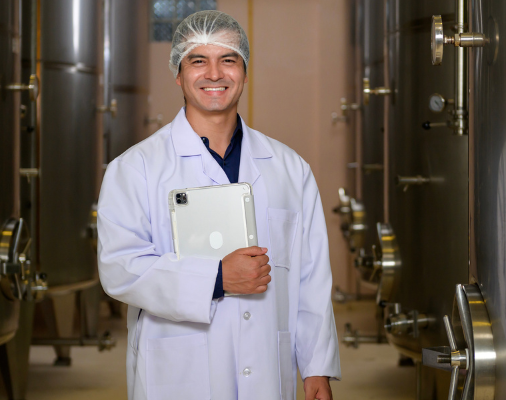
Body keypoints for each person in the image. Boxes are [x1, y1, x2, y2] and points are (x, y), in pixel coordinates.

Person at [97, 10, 340, 400]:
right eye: (198, 60)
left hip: (266, 370)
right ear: (178, 73)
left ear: (244, 71)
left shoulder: (290, 169)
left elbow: (311, 279)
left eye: (228, 60)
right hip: (177, 372)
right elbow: (120, 268)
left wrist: (316, 367)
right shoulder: (136, 168)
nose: (214, 74)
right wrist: (217, 279)